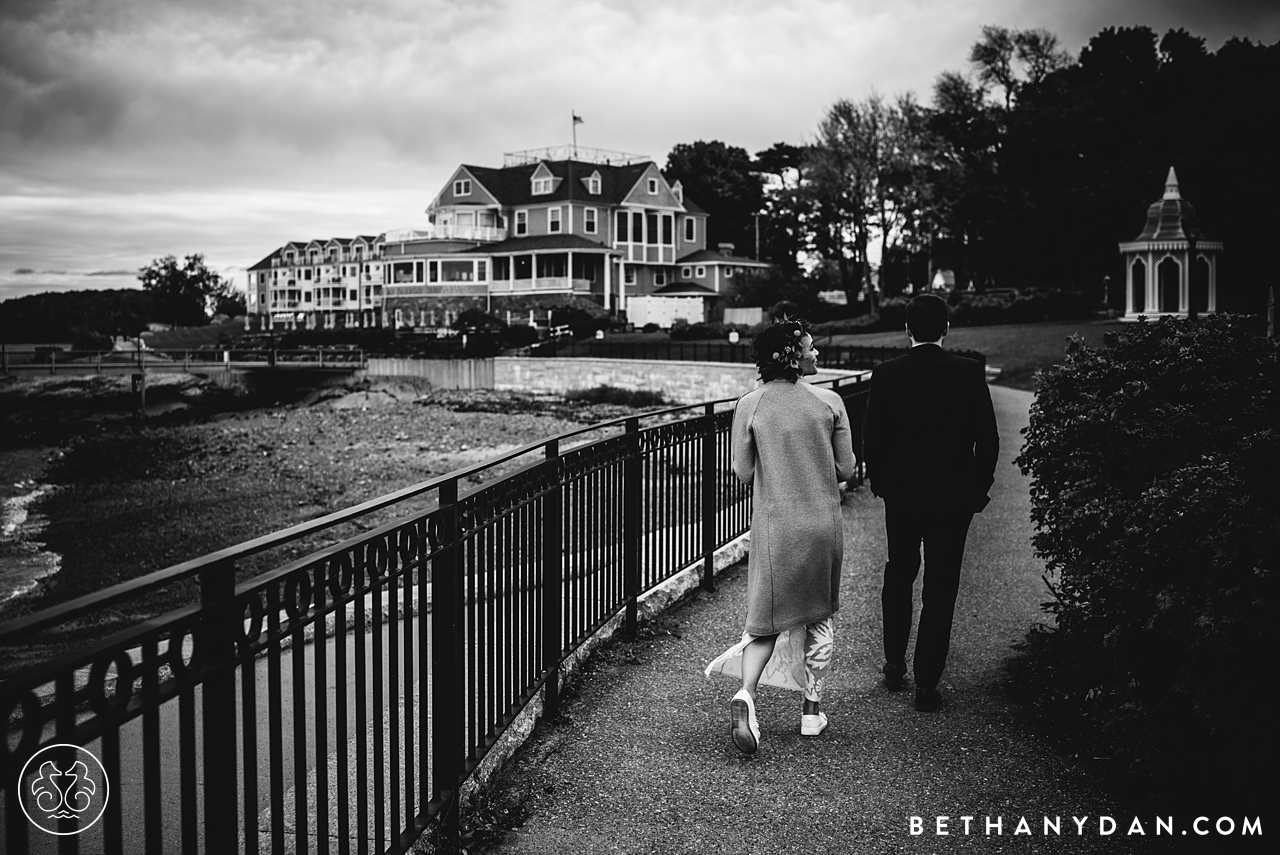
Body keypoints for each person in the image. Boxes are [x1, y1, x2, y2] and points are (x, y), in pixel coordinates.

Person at [705, 318, 857, 755]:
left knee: (766, 620)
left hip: (776, 527)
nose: (816, 354)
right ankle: (811, 713)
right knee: (820, 617)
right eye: (810, 348)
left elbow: (744, 471)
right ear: (792, 356)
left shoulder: (749, 404)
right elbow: (846, 469)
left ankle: (746, 693)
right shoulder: (830, 401)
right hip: (822, 524)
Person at [862, 293, 999, 712]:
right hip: (953, 499)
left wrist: (883, 484)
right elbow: (988, 440)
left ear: (907, 329)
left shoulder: (886, 374)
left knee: (899, 576)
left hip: (902, 497)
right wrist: (977, 489)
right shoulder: (969, 372)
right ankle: (926, 683)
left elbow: (873, 439)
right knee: (941, 588)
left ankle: (892, 661)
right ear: (946, 329)